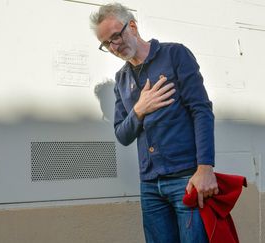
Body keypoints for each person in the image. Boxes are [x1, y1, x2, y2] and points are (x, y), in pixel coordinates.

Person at [90, 3, 218, 242]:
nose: (114, 47)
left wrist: (205, 168)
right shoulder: (121, 79)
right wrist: (139, 109)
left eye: (116, 36)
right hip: (150, 185)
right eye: (106, 44)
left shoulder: (175, 55)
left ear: (133, 26)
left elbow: (201, 110)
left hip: (186, 179)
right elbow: (122, 134)